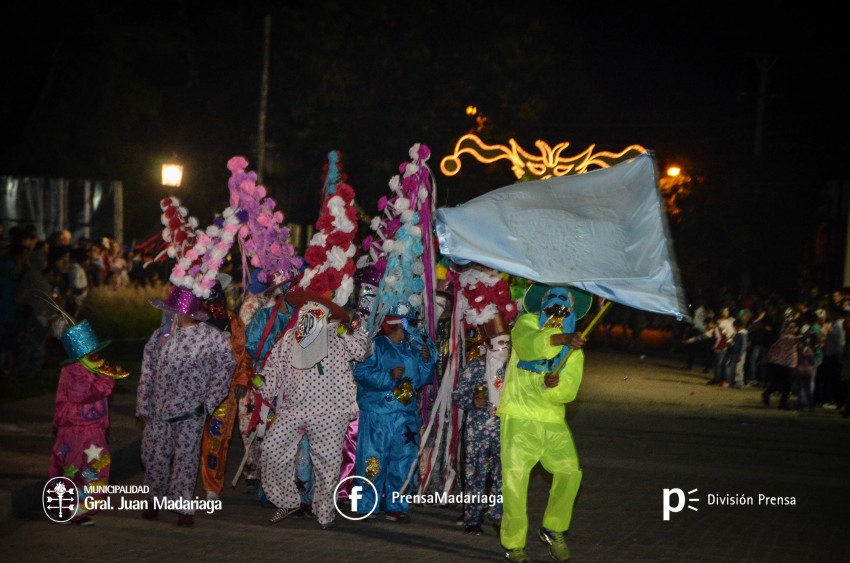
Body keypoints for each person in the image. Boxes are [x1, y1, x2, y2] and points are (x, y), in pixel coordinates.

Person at [258, 289, 370, 529]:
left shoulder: (338, 334)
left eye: (316, 310)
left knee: (328, 464)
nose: (309, 315)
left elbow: (363, 352)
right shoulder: (289, 338)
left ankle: (324, 513)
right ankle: (288, 500)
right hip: (293, 407)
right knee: (270, 447)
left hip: (331, 409)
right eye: (305, 309)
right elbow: (272, 370)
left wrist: (346, 333)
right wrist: (261, 383)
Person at [498, 286, 590, 562]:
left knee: (570, 471)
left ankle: (553, 528)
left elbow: (569, 392)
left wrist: (554, 386)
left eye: (565, 301)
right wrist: (562, 337)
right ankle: (514, 546)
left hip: (551, 420)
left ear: (573, 310)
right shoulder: (525, 324)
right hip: (518, 417)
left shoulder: (575, 351)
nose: (558, 305)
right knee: (514, 482)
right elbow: (530, 347)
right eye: (553, 299)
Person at [136, 285, 236, 527]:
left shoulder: (211, 339)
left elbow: (226, 368)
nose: (171, 315)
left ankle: (182, 505)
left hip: (192, 412)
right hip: (160, 410)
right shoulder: (161, 335)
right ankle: (154, 497)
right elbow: (147, 371)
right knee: (154, 456)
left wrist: (210, 402)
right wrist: (143, 405)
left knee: (186, 459)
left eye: (174, 311)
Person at [352, 313, 436, 522]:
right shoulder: (376, 345)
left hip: (405, 415)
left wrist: (426, 362)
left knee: (403, 460)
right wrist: (387, 377)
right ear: (398, 324)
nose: (413, 328)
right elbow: (360, 372)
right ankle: (365, 505)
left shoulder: (413, 348)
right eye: (409, 323)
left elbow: (422, 379)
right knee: (372, 460)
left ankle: (396, 505)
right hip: (378, 413)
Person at [49, 319, 129, 526]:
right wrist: (108, 379)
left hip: (95, 433)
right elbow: (86, 393)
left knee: (95, 469)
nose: (97, 357)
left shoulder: (93, 371)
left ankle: (81, 510)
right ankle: (64, 508)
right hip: (75, 432)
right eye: (91, 353)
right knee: (71, 468)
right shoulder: (72, 372)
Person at [451, 313, 509, 535]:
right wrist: (472, 402)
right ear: (488, 344)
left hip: (504, 428)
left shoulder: (512, 368)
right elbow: (458, 395)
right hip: (477, 430)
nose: (503, 348)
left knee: (502, 474)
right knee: (475, 473)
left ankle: (498, 516)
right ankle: (472, 518)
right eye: (499, 342)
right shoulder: (474, 367)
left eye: (507, 343)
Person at [762, 322, 799, 410]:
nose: (793, 329)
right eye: (791, 328)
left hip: (779, 363)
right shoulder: (788, 338)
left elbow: (773, 348)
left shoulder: (782, 338)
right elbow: (798, 340)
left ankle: (768, 394)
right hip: (786, 364)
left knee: (778, 383)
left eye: (794, 328)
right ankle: (782, 403)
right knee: (786, 384)